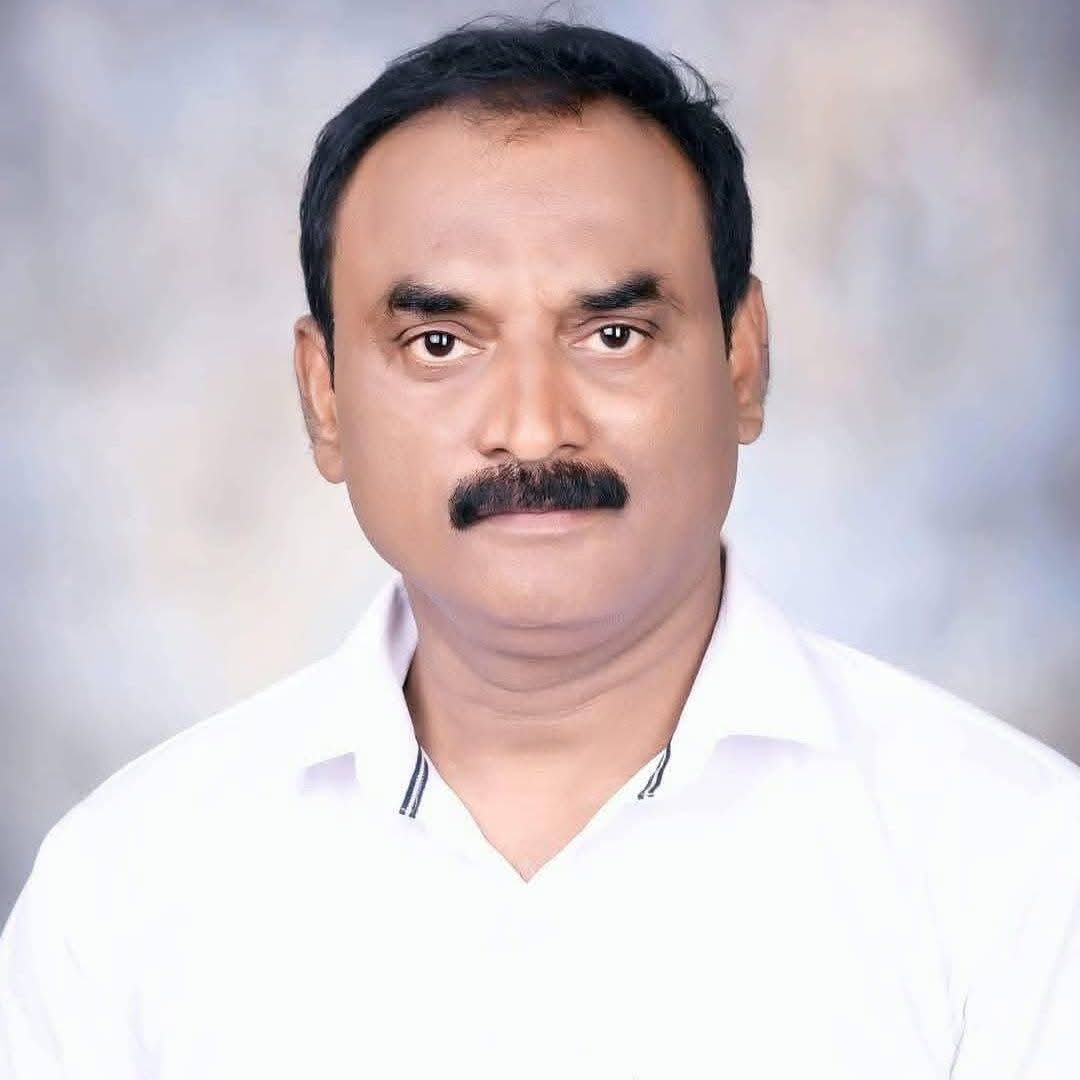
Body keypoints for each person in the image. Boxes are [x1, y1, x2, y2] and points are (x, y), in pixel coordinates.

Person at [1, 14, 1077, 1079]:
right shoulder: (123, 889)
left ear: (743, 360)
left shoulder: (1012, 864)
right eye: (438, 342)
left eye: (613, 334)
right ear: (323, 397)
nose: (531, 425)